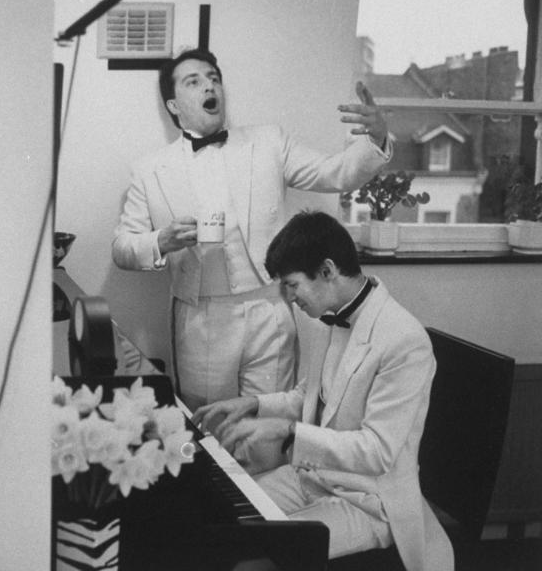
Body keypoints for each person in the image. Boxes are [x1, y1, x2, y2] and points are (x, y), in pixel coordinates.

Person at [112, 48, 393, 410]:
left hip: (270, 306)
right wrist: (160, 241)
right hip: (202, 319)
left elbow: (336, 172)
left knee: (270, 421)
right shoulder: (149, 170)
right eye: (193, 81)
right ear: (173, 105)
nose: (209, 85)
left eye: (214, 78)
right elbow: (122, 247)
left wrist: (377, 139)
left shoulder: (269, 142)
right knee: (209, 421)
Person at [191, 210, 453, 570]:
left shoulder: (404, 341)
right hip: (314, 477)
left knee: (257, 557)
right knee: (222, 522)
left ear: (328, 270)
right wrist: (252, 404)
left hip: (370, 500)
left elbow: (377, 451)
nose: (288, 297)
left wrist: (287, 430)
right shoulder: (327, 317)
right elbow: (307, 397)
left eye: (292, 284)